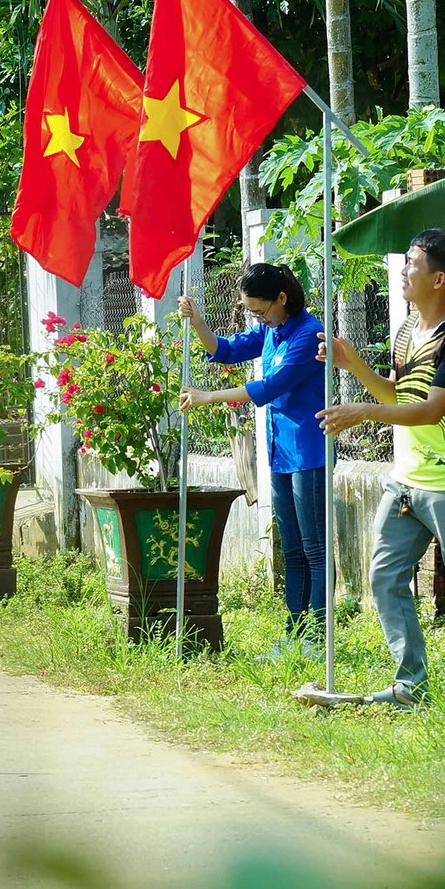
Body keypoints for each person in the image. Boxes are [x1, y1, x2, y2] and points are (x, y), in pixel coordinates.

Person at [318, 229, 445, 707]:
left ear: (439, 279)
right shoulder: (407, 329)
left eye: (411, 263)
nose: (402, 270)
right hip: (404, 482)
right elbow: (397, 396)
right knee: (384, 578)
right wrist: (353, 367)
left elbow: (431, 410)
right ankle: (411, 685)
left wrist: (361, 412)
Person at [176, 261, 328, 645]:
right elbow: (225, 350)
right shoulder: (270, 330)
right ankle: (295, 635)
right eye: (251, 312)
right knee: (291, 550)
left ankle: (318, 638)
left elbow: (268, 387)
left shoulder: (308, 335)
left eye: (260, 310)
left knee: (315, 549)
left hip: (309, 453)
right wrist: (196, 321)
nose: (256, 318)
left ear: (282, 298)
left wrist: (208, 397)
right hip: (280, 453)